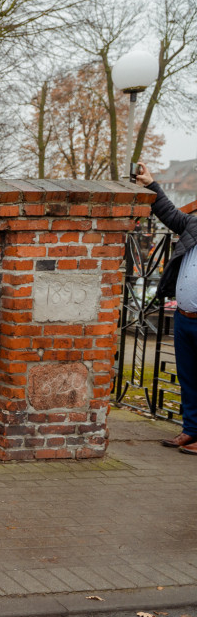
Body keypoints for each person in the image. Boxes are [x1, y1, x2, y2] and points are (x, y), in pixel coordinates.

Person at [135, 162, 197, 454]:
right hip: (185, 318)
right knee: (188, 377)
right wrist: (151, 185)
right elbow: (171, 214)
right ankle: (191, 431)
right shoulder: (194, 225)